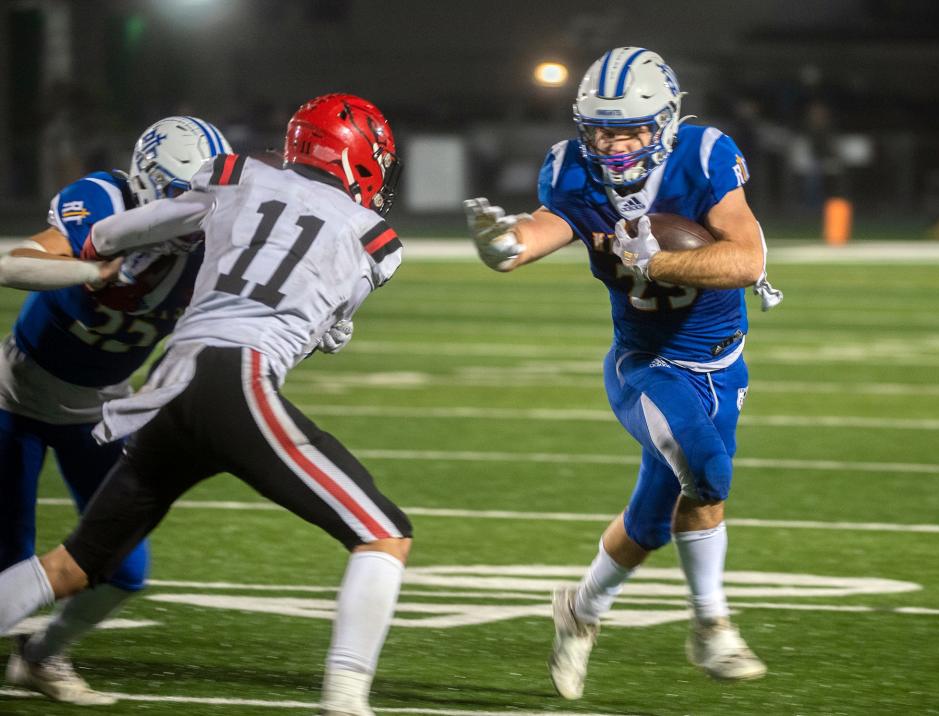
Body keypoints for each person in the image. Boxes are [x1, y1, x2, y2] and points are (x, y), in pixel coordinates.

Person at [0, 93, 410, 716]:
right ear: (361, 162)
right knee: (382, 534)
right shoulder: (375, 239)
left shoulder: (235, 178)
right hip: (218, 380)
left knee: (79, 564)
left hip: (161, 388)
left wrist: (119, 251)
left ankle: (37, 657)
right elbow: (328, 323)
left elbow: (112, 236)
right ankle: (347, 702)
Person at [464, 47, 783, 699]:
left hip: (721, 362)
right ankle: (711, 624)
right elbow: (540, 232)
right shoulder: (573, 172)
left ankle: (579, 611)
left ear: (664, 122)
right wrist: (505, 244)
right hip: (646, 364)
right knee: (708, 470)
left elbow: (747, 261)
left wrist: (656, 262)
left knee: (649, 522)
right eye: (600, 129)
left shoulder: (702, 157)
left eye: (629, 128)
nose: (612, 144)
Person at [0, 116, 231, 705]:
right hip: (15, 397)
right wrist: (90, 271)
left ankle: (41, 657)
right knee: (11, 553)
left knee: (124, 568)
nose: (199, 211)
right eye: (185, 195)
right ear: (151, 183)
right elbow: (12, 263)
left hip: (100, 411)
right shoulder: (105, 199)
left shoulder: (211, 244)